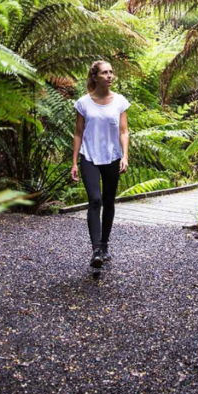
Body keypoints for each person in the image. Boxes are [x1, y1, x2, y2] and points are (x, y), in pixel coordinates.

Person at [71, 60, 130, 268]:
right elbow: (78, 133)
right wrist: (74, 162)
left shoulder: (120, 101)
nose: (110, 76)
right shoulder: (83, 103)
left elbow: (124, 131)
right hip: (89, 157)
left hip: (112, 157)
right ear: (94, 77)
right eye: (105, 73)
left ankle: (105, 245)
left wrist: (125, 156)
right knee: (95, 200)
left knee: (109, 201)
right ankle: (96, 249)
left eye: (111, 72)